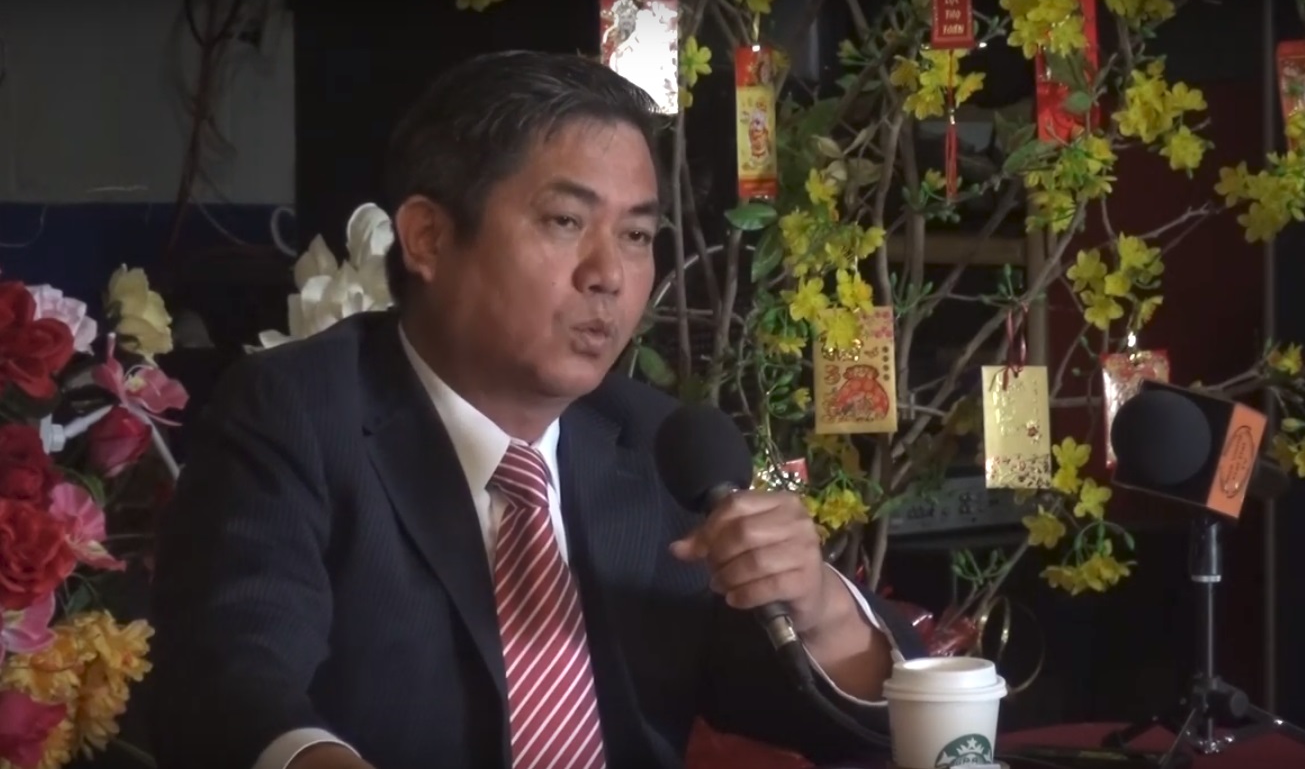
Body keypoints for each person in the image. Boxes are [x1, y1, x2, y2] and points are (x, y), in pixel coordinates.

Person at [148, 51, 925, 769]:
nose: (609, 273)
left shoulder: (656, 445)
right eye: (564, 222)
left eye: (636, 234)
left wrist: (818, 608)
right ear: (428, 237)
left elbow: (846, 724)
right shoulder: (298, 412)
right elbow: (230, 673)